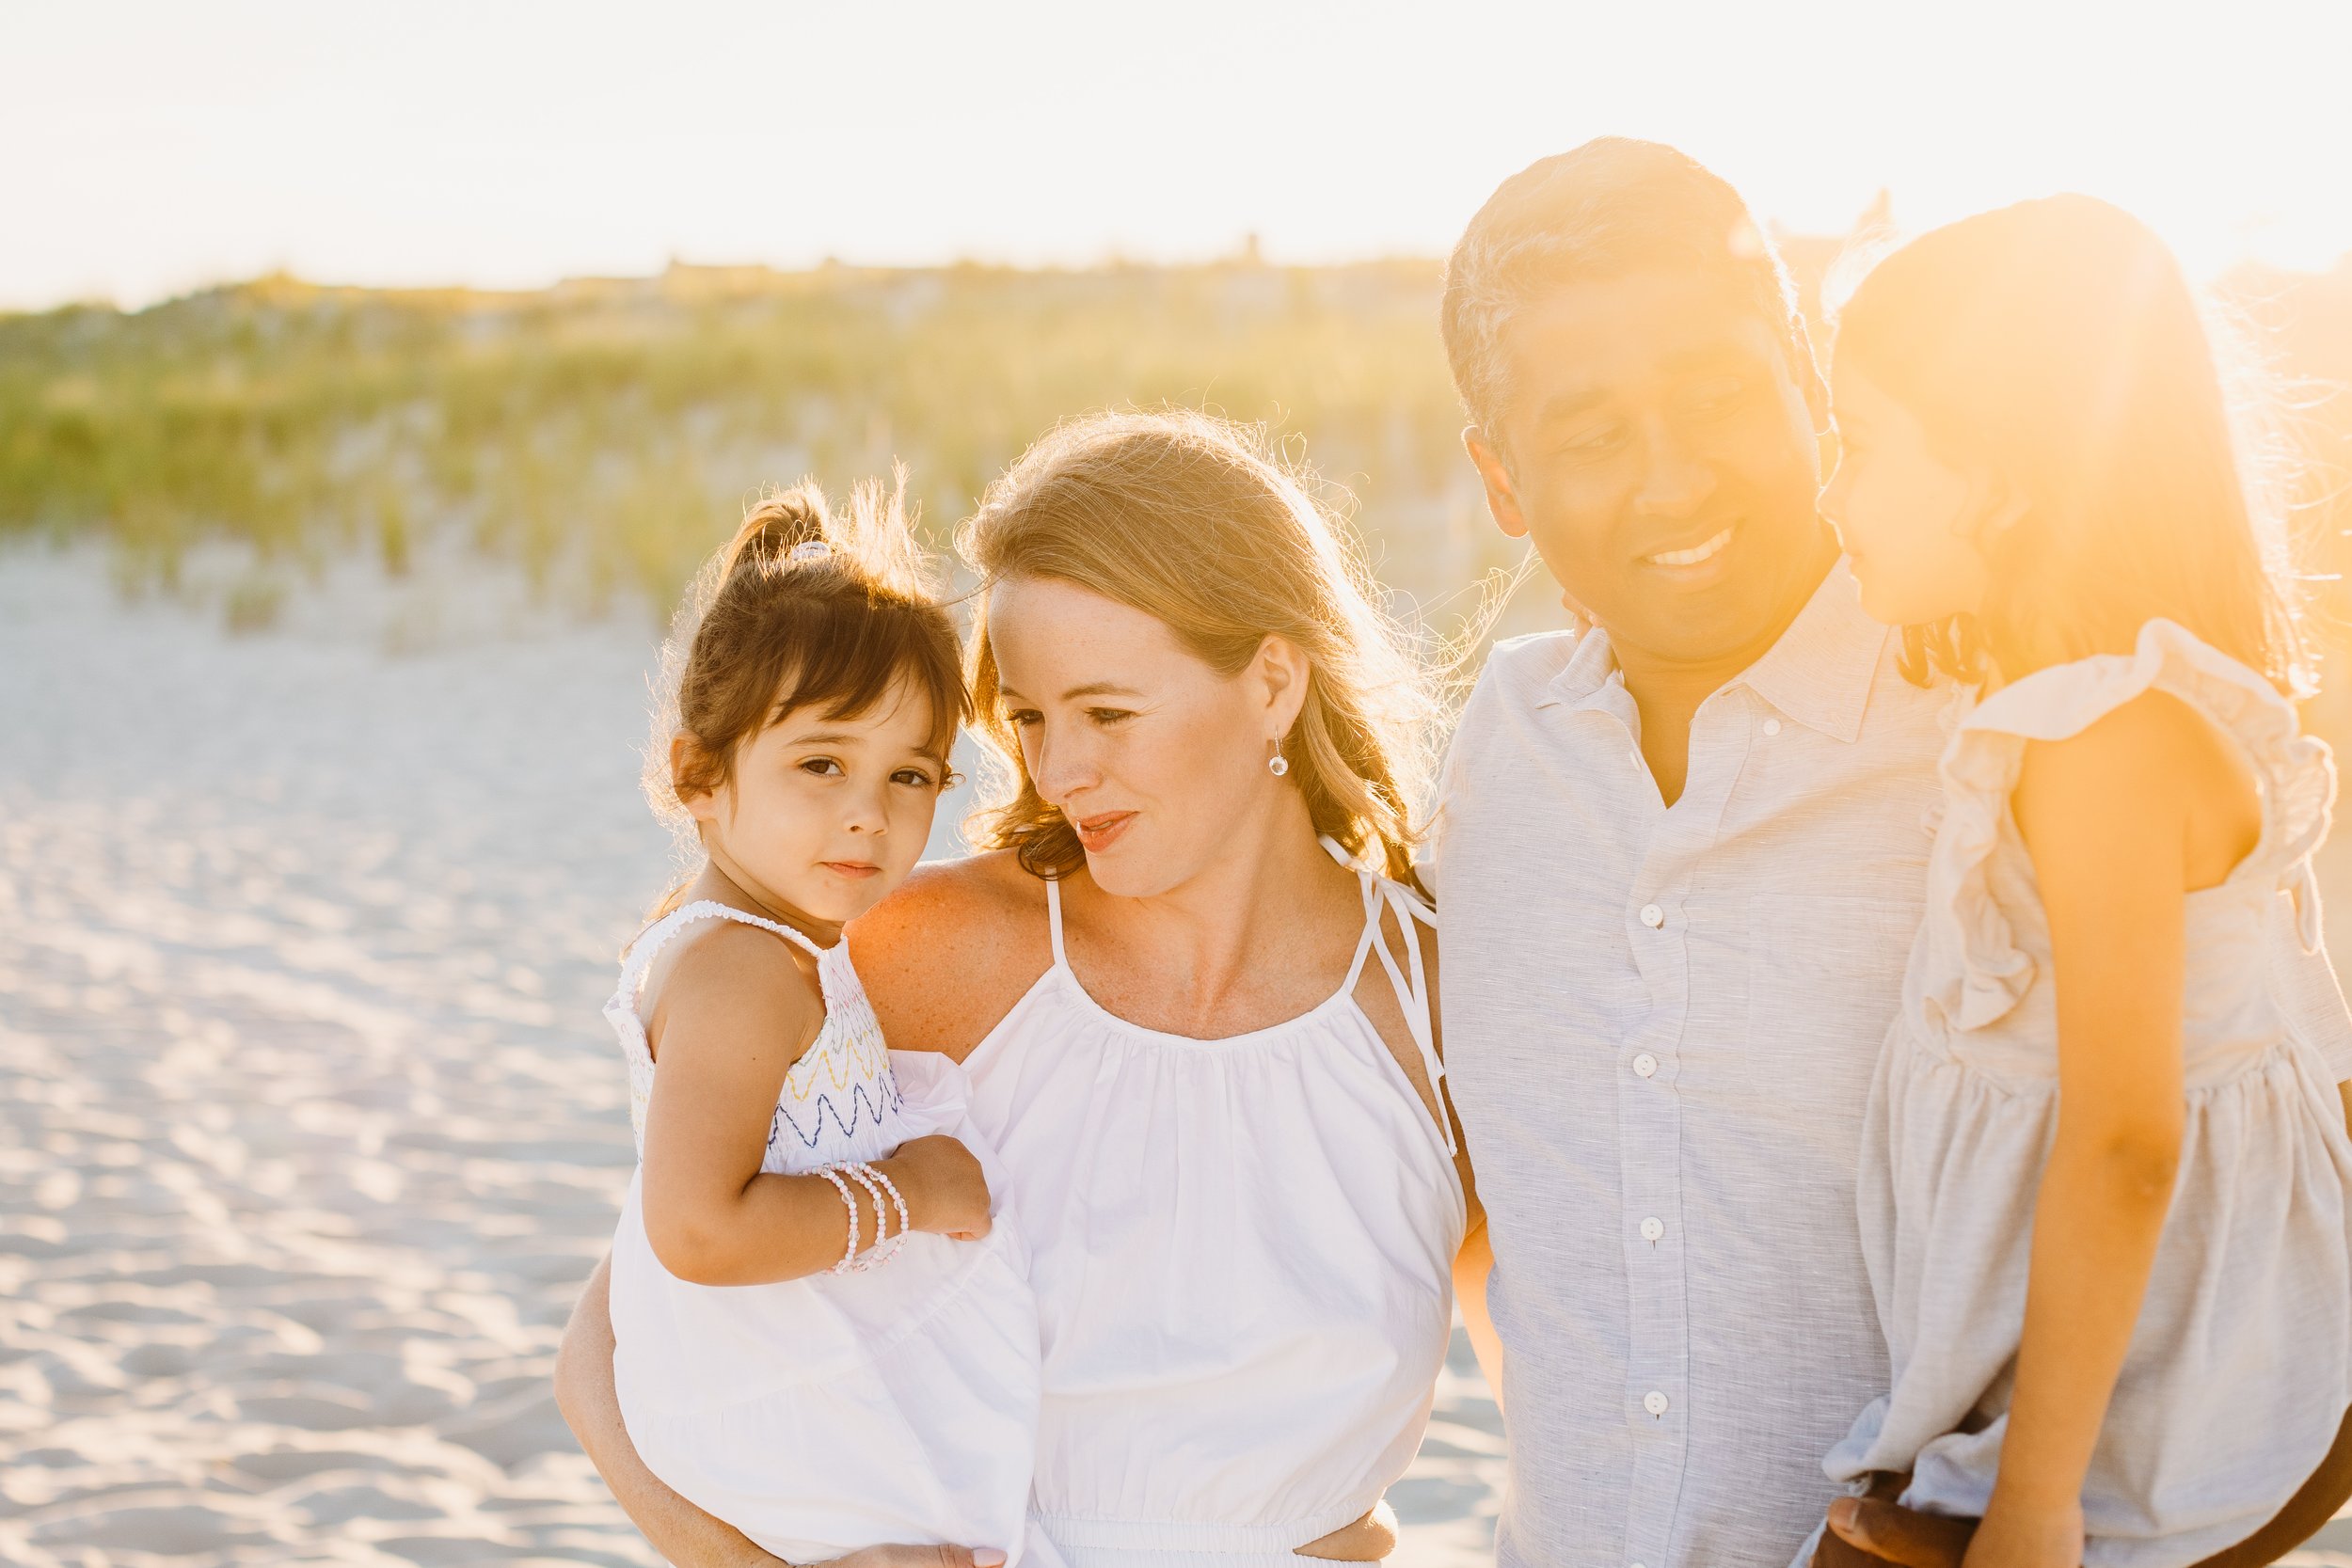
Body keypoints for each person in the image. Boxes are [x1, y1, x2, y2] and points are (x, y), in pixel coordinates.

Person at [556, 410, 1479, 1568]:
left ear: (1273, 682)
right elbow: (614, 1336)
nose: (1058, 770)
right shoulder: (923, 948)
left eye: (1106, 712)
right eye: (1030, 720)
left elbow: (1566, 1401)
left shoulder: (1443, 996)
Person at [1433, 137, 1951, 1568]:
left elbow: (2284, 1242)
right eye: (1592, 433)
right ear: (1503, 479)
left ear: (1808, 378)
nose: (1673, 481)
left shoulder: (2000, 733)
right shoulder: (1496, 748)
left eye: (1718, 394)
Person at [1815, 195, 2352, 1568]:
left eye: (1859, 449)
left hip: (2172, 1401)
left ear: (1997, 482)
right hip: (2130, 1366)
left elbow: (2126, 1141)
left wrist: (2037, 1502)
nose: (1833, 497)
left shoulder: (2102, 745)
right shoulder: (2085, 711)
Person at [596, 478, 1048, 1566]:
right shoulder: (743, 969)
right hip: (773, 1410)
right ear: (698, 774)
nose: (870, 811)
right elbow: (697, 1230)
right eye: (821, 764)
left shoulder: (775, 936)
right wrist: (914, 1193)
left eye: (911, 775)